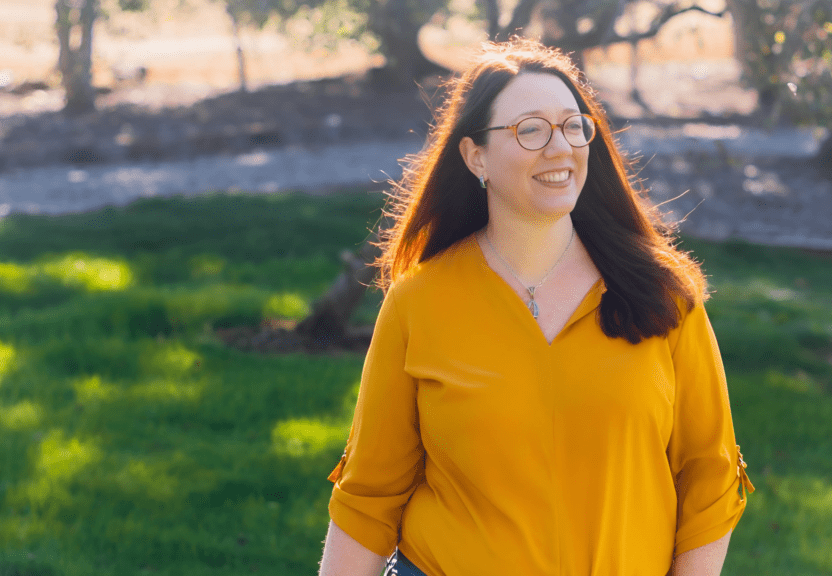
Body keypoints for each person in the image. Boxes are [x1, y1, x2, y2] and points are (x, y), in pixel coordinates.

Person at [318, 37, 754, 576]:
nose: (560, 148)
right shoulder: (420, 301)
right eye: (530, 130)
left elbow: (710, 478)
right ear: (476, 155)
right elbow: (368, 497)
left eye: (574, 126)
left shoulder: (662, 296)